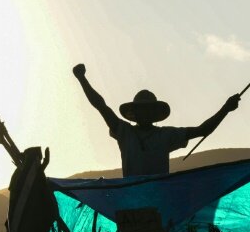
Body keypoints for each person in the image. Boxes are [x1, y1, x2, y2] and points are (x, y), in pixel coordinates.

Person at [73, 63, 240, 176]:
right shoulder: (124, 131)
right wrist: (82, 79)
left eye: (148, 109)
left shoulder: (166, 135)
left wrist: (226, 108)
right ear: (135, 113)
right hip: (131, 201)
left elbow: (202, 130)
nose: (145, 113)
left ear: (154, 113)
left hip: (159, 200)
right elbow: (101, 106)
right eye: (142, 109)